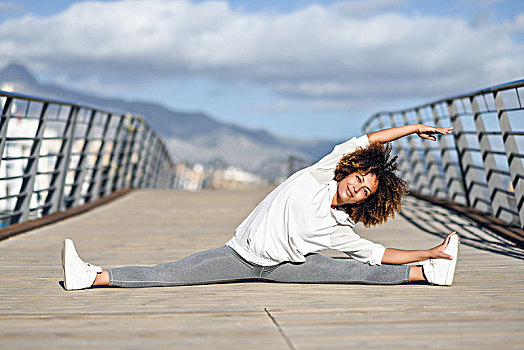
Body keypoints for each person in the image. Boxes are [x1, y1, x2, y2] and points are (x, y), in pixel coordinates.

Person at [62, 123, 459, 291]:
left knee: (359, 269)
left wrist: (429, 250)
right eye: (359, 179)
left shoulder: (339, 225)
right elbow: (367, 139)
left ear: (368, 201)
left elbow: (379, 253)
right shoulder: (319, 174)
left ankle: (429, 272)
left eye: (366, 191)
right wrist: (412, 128)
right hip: (240, 257)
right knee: (171, 273)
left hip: (288, 268)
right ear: (348, 171)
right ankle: (91, 277)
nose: (358, 188)